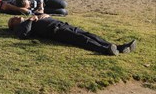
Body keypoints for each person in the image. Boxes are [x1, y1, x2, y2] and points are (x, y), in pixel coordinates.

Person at [8, 14, 138, 56]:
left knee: (90, 35)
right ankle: (106, 50)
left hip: (63, 25)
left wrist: (46, 15)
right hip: (56, 31)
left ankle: (119, 47)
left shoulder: (33, 16)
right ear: (13, 25)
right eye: (13, 19)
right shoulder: (21, 27)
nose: (17, 17)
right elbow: (23, 35)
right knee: (82, 40)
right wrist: (30, 20)